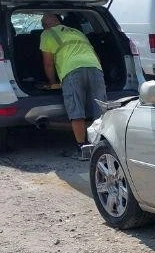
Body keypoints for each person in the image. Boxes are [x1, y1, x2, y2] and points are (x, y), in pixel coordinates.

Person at [39, 13, 106, 157]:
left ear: (45, 25)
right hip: (95, 67)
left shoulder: (47, 34)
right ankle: (101, 146)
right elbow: (95, 54)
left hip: (71, 70)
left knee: (76, 110)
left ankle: (82, 148)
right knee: (100, 109)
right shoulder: (77, 32)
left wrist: (52, 83)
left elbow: (48, 64)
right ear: (59, 21)